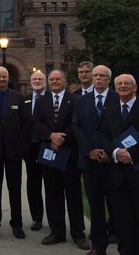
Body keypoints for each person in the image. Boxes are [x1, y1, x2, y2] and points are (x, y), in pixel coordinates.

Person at [100, 74, 139, 255]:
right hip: (119, 173)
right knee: (123, 217)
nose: (123, 86)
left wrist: (130, 153)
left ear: (135, 88)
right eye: (119, 84)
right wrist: (115, 153)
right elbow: (104, 136)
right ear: (115, 88)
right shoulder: (110, 110)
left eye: (127, 84)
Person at [32, 70, 90, 250]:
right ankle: (57, 232)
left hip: (69, 155)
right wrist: (50, 136)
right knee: (52, 193)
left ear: (65, 81)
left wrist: (60, 138)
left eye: (58, 79)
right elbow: (35, 123)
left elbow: (77, 124)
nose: (55, 82)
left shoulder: (75, 100)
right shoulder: (42, 101)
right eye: (52, 80)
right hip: (50, 153)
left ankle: (78, 233)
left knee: (73, 194)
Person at [73, 65, 118, 255]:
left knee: (116, 203)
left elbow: (123, 128)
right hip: (90, 161)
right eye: (96, 76)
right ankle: (98, 247)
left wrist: (111, 152)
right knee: (95, 205)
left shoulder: (118, 98)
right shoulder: (82, 101)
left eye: (102, 76)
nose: (98, 79)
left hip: (112, 161)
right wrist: (89, 150)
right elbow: (77, 127)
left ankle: (117, 236)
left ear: (109, 79)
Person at [0, 66, 29, 239]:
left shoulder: (18, 97)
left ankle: (17, 224)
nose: (1, 79)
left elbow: (25, 125)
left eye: (4, 76)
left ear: (8, 78)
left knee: (14, 189)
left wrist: (23, 148)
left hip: (13, 152)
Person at [23, 70, 50, 231]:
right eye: (35, 79)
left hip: (47, 147)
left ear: (45, 81)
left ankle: (54, 218)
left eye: (40, 79)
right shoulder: (24, 100)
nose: (37, 81)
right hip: (30, 149)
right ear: (30, 81)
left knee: (51, 184)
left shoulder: (50, 99)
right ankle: (37, 218)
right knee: (33, 184)